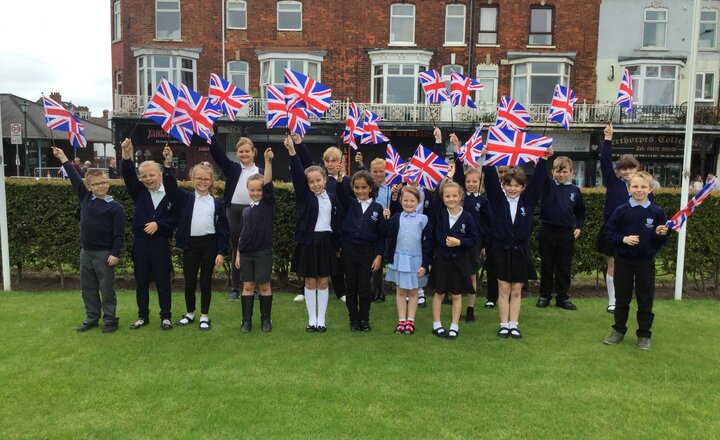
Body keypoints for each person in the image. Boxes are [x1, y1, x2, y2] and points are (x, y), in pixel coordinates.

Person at [52, 146, 124, 333]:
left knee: (106, 289)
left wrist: (115, 253)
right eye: (96, 184)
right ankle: (92, 317)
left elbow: (119, 233)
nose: (101, 186)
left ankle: (110, 319)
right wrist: (63, 158)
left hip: (105, 254)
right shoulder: (86, 198)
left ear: (108, 183)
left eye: (104, 182)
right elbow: (75, 178)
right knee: (88, 289)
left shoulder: (115, 207)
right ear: (89, 187)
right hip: (86, 252)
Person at [483, 147, 552, 339]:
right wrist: (488, 158)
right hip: (501, 251)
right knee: (503, 289)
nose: (513, 188)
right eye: (509, 184)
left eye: (517, 185)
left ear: (523, 186)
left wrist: (543, 159)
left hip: (520, 251)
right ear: (503, 185)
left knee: (516, 289)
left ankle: (514, 325)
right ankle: (503, 324)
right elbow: (489, 181)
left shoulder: (528, 201)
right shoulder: (497, 200)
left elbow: (538, 181)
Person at [602, 171, 670, 350]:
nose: (639, 190)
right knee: (622, 299)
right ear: (629, 188)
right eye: (635, 186)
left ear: (650, 189)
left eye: (643, 187)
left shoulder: (656, 212)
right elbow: (609, 233)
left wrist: (659, 234)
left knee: (645, 299)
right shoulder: (621, 210)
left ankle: (644, 335)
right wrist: (623, 239)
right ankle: (618, 330)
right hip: (623, 262)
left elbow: (662, 239)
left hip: (645, 263)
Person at [285, 135, 341, 332]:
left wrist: (337, 246)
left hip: (325, 242)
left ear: (325, 179)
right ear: (307, 185)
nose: (316, 184)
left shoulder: (332, 198)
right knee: (310, 281)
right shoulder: (304, 197)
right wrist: (293, 152)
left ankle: (322, 320)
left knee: (323, 281)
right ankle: (312, 320)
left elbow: (335, 223)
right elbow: (299, 175)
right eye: (312, 182)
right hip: (309, 242)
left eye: (319, 180)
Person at [121, 138, 179, 330]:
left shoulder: (171, 192)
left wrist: (159, 225)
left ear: (160, 175)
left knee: (163, 280)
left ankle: (166, 316)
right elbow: (128, 176)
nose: (148, 179)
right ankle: (142, 316)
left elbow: (175, 219)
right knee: (141, 281)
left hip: (160, 243)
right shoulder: (140, 192)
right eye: (144, 176)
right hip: (141, 244)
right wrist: (127, 155)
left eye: (151, 175)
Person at [167, 156, 229, 331]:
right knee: (189, 281)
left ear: (211, 181)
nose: (202, 182)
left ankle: (204, 315)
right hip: (191, 245)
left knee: (206, 281)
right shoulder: (185, 199)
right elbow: (171, 189)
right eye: (199, 178)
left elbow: (223, 230)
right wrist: (168, 166)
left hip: (210, 245)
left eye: (206, 179)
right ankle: (190, 313)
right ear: (192, 179)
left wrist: (221, 252)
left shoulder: (217, 203)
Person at [294, 138, 356, 303]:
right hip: (315, 229)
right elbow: (307, 163)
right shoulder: (319, 179)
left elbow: (349, 201)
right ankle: (304, 290)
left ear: (340, 162)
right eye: (327, 161)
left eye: (334, 160)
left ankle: (340, 290)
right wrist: (299, 144)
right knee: (311, 264)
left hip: (337, 225)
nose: (330, 163)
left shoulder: (347, 181)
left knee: (333, 262)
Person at [209, 133, 263, 301]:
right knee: (236, 251)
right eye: (241, 151)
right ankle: (234, 288)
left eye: (247, 151)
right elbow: (217, 154)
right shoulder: (232, 168)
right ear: (237, 153)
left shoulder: (260, 171)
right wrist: (211, 135)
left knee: (252, 249)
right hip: (233, 212)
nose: (244, 154)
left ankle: (252, 287)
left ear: (253, 152)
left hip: (253, 213)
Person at [596, 123, 643, 314]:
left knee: (632, 267)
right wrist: (608, 139)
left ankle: (626, 299)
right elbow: (605, 162)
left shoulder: (643, 188)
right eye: (623, 168)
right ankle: (612, 301)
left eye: (630, 168)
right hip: (614, 232)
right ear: (619, 170)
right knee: (613, 265)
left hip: (635, 232)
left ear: (637, 169)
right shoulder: (613, 182)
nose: (627, 172)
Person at [429, 180, 479, 339]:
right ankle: (436, 324)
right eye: (447, 196)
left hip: (460, 261)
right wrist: (446, 178)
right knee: (439, 293)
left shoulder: (467, 217)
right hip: (442, 260)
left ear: (460, 197)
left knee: (456, 295)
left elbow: (474, 239)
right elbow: (436, 199)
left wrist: (460, 242)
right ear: (443, 198)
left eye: (454, 196)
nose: (451, 199)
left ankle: (454, 325)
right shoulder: (440, 213)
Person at [336, 170, 385, 332]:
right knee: (351, 287)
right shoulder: (350, 203)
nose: (360, 191)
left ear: (370, 188)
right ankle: (354, 319)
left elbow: (381, 236)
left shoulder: (378, 208)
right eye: (356, 187)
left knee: (364, 288)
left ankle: (364, 319)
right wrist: (339, 179)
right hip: (349, 249)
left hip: (367, 252)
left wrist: (378, 256)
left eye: (364, 187)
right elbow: (340, 194)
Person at [448, 133, 490, 322]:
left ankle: (471, 309)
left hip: (474, 243)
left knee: (472, 276)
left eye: (475, 182)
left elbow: (487, 224)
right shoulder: (460, 199)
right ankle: (453, 300)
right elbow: (456, 174)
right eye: (468, 182)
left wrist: (484, 245)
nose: (471, 184)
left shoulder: (483, 201)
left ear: (479, 183)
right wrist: (457, 149)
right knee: (455, 273)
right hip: (457, 240)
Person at [537, 156, 586, 310]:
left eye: (565, 172)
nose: (561, 175)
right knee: (547, 266)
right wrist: (543, 159)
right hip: (547, 231)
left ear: (571, 172)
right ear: (552, 172)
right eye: (558, 171)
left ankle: (562, 297)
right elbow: (540, 174)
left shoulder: (575, 190)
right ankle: (544, 296)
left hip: (566, 234)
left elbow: (580, 211)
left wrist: (579, 226)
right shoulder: (547, 187)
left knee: (564, 267)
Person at [236, 148, 275, 333]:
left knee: (264, 285)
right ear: (248, 190)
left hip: (263, 252)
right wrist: (238, 253)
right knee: (248, 285)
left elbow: (267, 184)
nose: (256, 192)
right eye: (252, 190)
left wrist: (267, 162)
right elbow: (242, 233)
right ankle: (246, 321)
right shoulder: (246, 210)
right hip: (246, 253)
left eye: (258, 190)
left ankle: (266, 320)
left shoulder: (268, 205)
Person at [383, 185, 431, 335]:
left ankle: (411, 320)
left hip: (416, 260)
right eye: (406, 200)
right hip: (399, 258)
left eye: (412, 201)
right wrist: (386, 219)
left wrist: (425, 264)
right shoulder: (396, 217)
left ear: (418, 202)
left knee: (413, 291)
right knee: (401, 290)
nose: (408, 203)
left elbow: (428, 243)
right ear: (401, 201)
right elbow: (388, 234)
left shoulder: (423, 219)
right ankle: (401, 320)